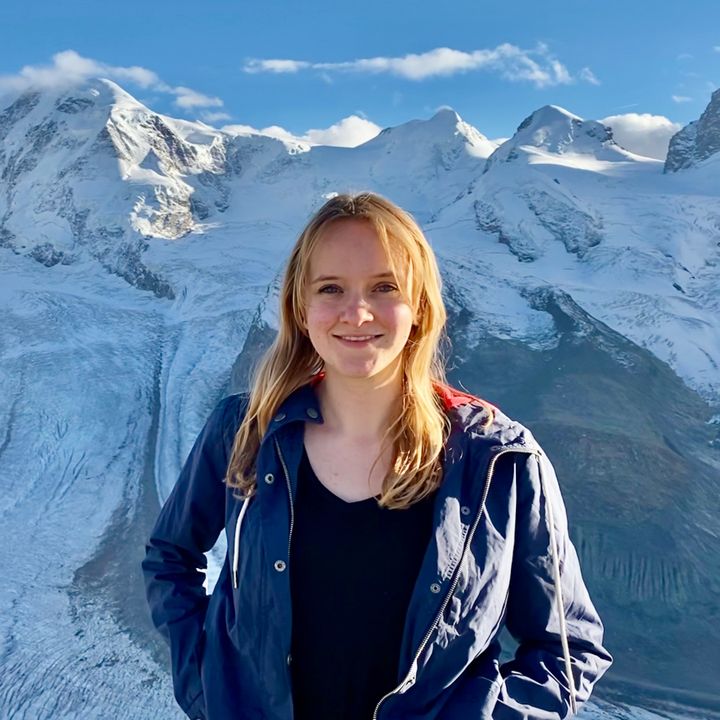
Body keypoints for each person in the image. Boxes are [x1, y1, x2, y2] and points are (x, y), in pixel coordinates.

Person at [142, 192, 612, 720]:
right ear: (301, 308)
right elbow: (170, 557)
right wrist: (208, 691)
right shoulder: (244, 431)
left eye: (384, 287)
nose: (356, 312)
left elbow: (568, 648)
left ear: (421, 308)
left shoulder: (499, 461)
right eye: (331, 288)